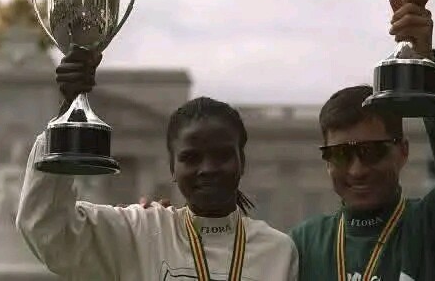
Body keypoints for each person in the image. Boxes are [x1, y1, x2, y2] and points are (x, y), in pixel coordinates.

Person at [15, 46, 298, 280]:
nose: (208, 169)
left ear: (242, 162)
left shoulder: (279, 250)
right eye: (191, 157)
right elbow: (46, 227)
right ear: (172, 168)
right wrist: (66, 118)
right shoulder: (138, 232)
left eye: (222, 155)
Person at [289, 0, 435, 280]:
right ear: (326, 160)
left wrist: (428, 69)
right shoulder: (303, 245)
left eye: (372, 151)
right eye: (340, 154)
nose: (357, 170)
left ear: (403, 151)